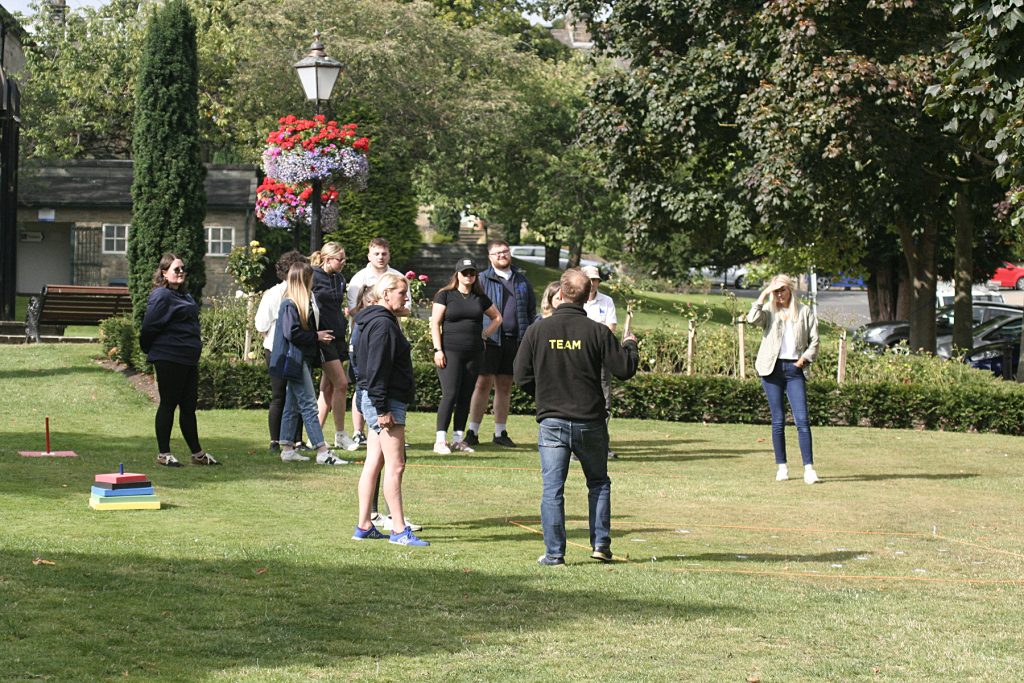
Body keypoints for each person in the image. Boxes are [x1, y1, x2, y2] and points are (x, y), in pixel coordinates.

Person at [514, 268, 639, 566]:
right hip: (590, 420)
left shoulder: (538, 330)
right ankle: (600, 545)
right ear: (587, 296)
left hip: (552, 420)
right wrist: (631, 345)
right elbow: (624, 369)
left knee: (552, 490)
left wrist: (544, 395)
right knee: (598, 483)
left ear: (560, 294)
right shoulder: (596, 331)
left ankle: (555, 554)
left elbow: (520, 376)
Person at [351, 274, 429, 546]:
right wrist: (383, 409)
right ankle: (398, 530)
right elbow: (376, 370)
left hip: (374, 399)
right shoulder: (383, 326)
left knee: (374, 462)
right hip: (385, 401)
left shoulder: (372, 320)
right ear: (385, 294)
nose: (406, 298)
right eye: (402, 293)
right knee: (396, 465)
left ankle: (364, 525)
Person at [139, 253, 219, 467]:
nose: (181, 272)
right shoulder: (161, 296)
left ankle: (197, 454)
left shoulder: (185, 296)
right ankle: (164, 453)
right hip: (169, 357)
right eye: (177, 269)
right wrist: (149, 349)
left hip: (188, 358)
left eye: (183, 268)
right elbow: (149, 327)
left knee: (188, 406)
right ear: (164, 273)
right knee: (168, 404)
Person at [747, 274, 821, 484]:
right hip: (772, 370)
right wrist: (763, 295)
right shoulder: (769, 311)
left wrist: (803, 360)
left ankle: (809, 469)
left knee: (802, 420)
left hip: (794, 370)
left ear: (790, 290)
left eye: (782, 290)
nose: (779, 294)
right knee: (778, 421)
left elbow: (815, 341)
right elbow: (752, 319)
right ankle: (782, 467)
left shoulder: (805, 311)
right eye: (775, 291)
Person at [273, 262, 349, 465]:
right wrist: (316, 336)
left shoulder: (302, 302)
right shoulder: (289, 304)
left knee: (293, 403)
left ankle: (288, 448)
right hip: (294, 359)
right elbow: (292, 333)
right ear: (305, 279)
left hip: (300, 358)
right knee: (308, 404)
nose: (314, 280)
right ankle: (322, 450)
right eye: (311, 277)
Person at [465, 239, 537, 448]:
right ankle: (473, 431)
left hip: (514, 340)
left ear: (510, 253)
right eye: (496, 253)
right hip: (489, 340)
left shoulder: (522, 280)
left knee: (505, 386)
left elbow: (530, 311)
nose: (501, 256)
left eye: (504, 251)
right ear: (490, 257)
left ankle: (500, 432)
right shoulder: (481, 280)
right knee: (482, 384)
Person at [430, 258, 503, 454]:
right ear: (457, 275)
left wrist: (485, 334)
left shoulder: (480, 297)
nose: (468, 276)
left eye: (472, 273)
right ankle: (440, 440)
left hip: (475, 352)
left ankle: (458, 439)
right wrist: (438, 349)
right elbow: (435, 323)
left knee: (465, 396)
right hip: (450, 351)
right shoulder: (445, 295)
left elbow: (497, 318)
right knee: (450, 393)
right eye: (465, 273)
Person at [346, 237, 405, 446]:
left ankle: (377, 429)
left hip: (389, 328)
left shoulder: (397, 276)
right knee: (364, 381)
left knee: (383, 376)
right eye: (376, 254)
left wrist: (391, 307)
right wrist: (374, 307)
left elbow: (406, 308)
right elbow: (352, 309)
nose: (380, 257)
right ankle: (359, 430)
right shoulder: (359, 278)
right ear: (369, 255)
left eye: (384, 254)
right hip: (365, 331)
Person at [254, 250, 308, 454]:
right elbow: (261, 324)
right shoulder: (278, 294)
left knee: (280, 395)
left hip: (275, 349)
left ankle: (277, 439)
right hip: (285, 349)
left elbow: (261, 325)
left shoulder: (275, 293)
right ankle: (294, 439)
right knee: (295, 395)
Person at [310, 241, 358, 453]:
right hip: (324, 338)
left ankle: (315, 436)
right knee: (342, 384)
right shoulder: (312, 275)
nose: (343, 263)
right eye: (340, 259)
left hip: (338, 336)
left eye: (344, 259)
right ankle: (340, 434)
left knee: (327, 388)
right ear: (327, 259)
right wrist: (314, 333)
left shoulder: (339, 278)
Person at [581, 265, 620, 459]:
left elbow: (610, 329)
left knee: (604, 401)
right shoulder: (575, 300)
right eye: (589, 280)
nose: (592, 283)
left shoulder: (607, 301)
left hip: (601, 357)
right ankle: (579, 445)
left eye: (595, 280)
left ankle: (601, 444)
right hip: (579, 358)